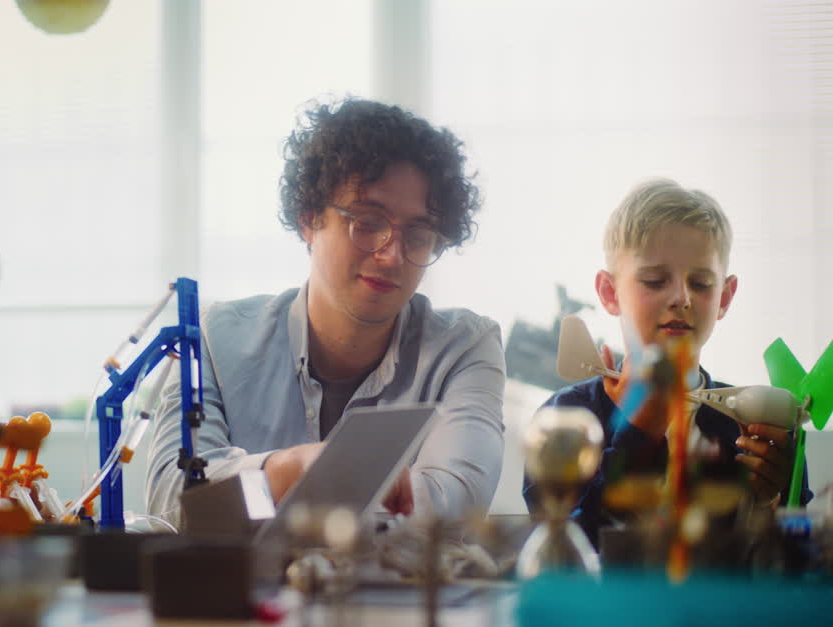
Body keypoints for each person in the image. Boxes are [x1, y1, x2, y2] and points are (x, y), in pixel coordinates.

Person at [145, 98, 505, 525]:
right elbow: (173, 501)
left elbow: (454, 506)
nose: (392, 256)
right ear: (309, 218)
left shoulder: (464, 348)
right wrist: (288, 471)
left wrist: (270, 494)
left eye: (419, 233)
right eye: (369, 222)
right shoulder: (213, 338)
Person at [522, 178, 811, 548]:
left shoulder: (760, 434)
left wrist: (772, 501)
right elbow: (561, 547)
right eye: (656, 280)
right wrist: (638, 436)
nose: (681, 297)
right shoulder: (566, 420)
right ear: (610, 294)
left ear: (725, 297)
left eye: (702, 283)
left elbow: (802, 565)